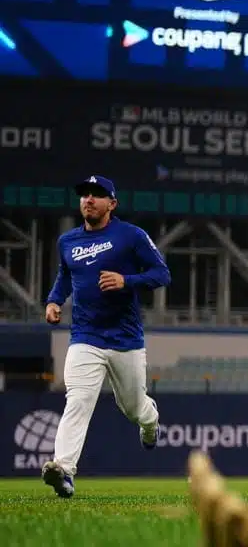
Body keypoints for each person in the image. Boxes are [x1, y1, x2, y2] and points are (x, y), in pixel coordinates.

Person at [40, 175, 172, 499]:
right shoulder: (68, 241)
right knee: (78, 399)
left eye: (97, 195)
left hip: (125, 339)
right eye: (85, 194)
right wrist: (54, 300)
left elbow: (162, 274)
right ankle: (64, 470)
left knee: (133, 408)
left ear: (112, 203)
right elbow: (66, 275)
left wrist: (126, 281)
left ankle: (151, 424)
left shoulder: (131, 236)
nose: (89, 199)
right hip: (85, 336)